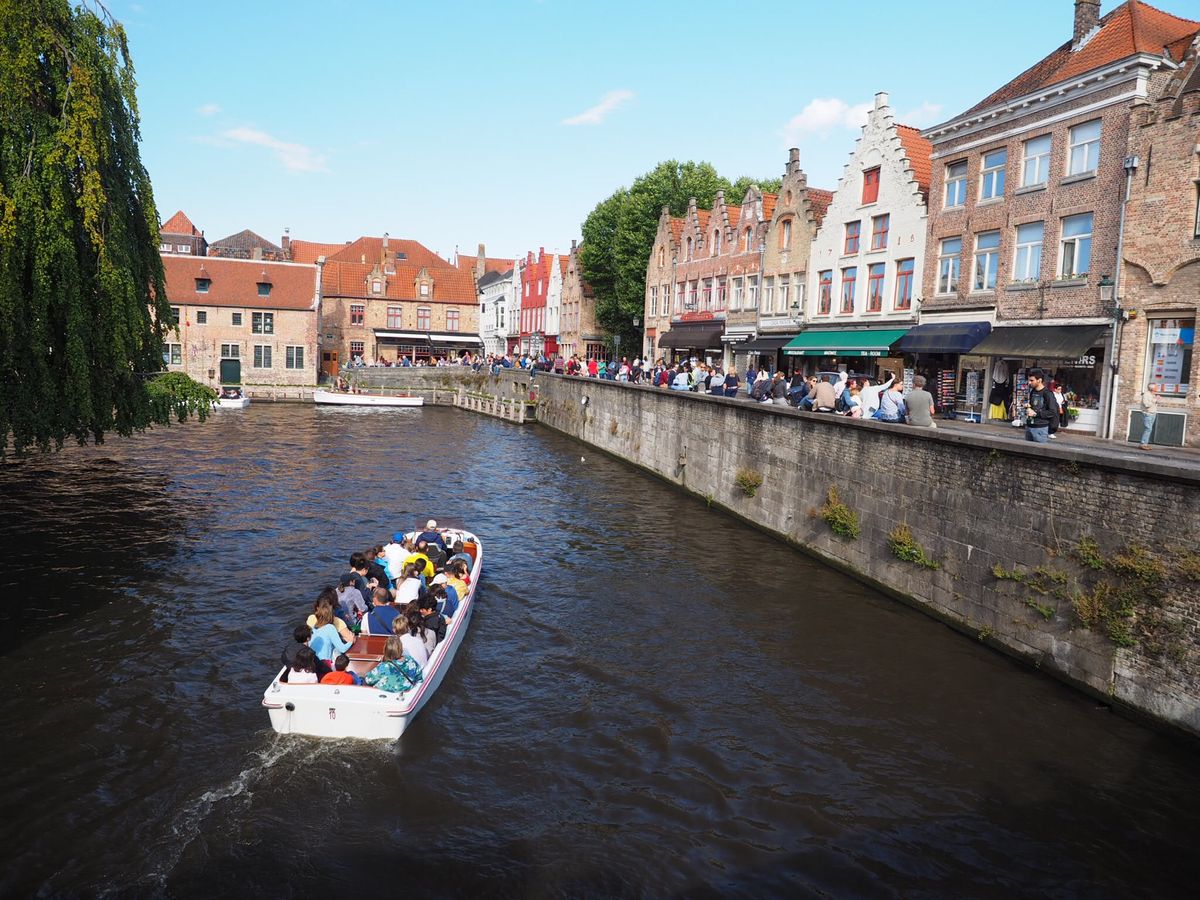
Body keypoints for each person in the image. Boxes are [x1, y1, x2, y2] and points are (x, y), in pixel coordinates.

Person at [1023, 367, 1058, 443]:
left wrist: (1035, 413)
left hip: (1040, 428)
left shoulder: (1048, 393)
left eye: (1032, 380)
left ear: (1039, 380)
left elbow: (1052, 412)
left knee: (1038, 453)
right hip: (1029, 426)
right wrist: (1028, 407)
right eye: (1028, 380)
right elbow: (1034, 407)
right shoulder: (1033, 391)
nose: (1029, 382)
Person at [1139, 385, 1158, 450]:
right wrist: (1154, 400)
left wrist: (1156, 400)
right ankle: (1143, 444)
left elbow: (1153, 403)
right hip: (1148, 414)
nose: (1157, 388)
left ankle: (1145, 444)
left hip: (1152, 413)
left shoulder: (1153, 395)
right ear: (1152, 389)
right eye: (1156, 387)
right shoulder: (1146, 395)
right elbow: (1147, 405)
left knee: (1149, 429)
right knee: (1148, 428)